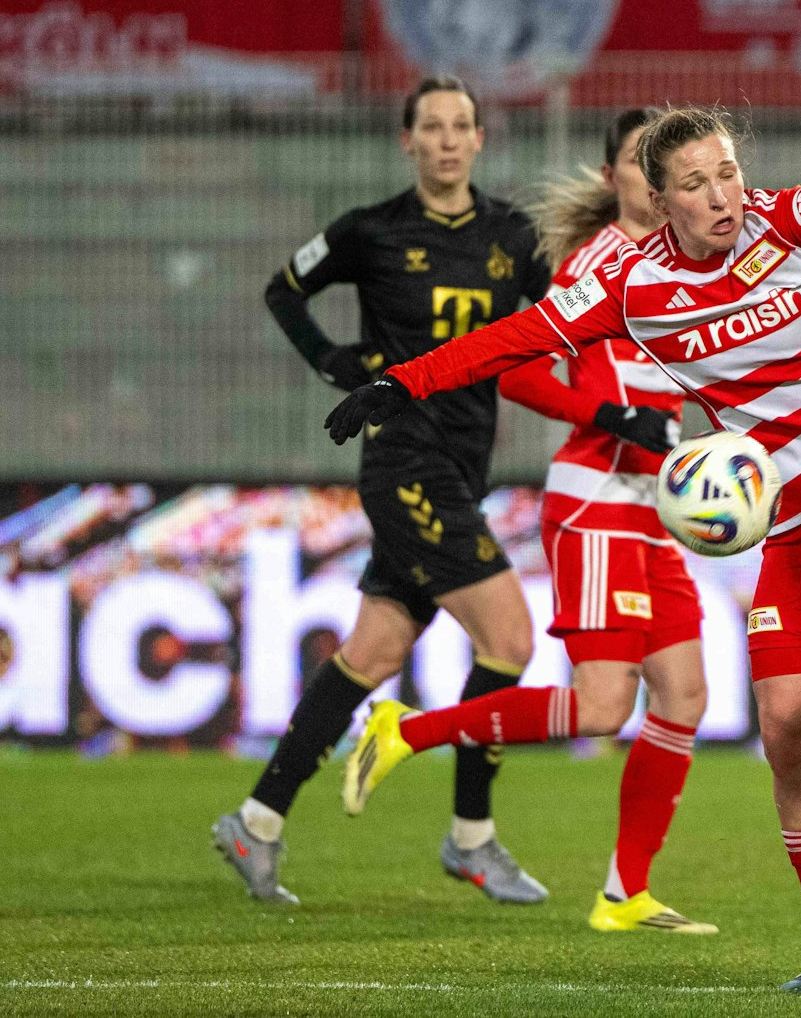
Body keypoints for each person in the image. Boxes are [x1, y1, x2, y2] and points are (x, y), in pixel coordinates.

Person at [324, 105, 801, 994]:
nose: (723, 196)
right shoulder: (627, 287)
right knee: (788, 732)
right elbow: (513, 341)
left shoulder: (785, 217)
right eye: (698, 184)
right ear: (659, 198)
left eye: (729, 173)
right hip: (791, 517)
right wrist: (402, 380)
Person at [213, 76, 552, 906]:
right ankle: (471, 836)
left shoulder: (513, 234)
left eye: (460, 125)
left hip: (466, 465)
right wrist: (333, 360)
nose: (445, 138)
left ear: (480, 139)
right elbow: (283, 290)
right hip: (404, 460)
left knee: (373, 652)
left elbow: (564, 318)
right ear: (408, 140)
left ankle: (255, 821)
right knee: (509, 636)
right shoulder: (371, 232)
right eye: (431, 125)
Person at [489, 107, 716, 934]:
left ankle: (625, 893)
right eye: (636, 160)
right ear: (617, 177)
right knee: (598, 710)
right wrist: (612, 416)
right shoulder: (596, 264)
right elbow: (515, 373)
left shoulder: (683, 264)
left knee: (685, 696)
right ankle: (408, 728)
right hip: (595, 500)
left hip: (654, 508)